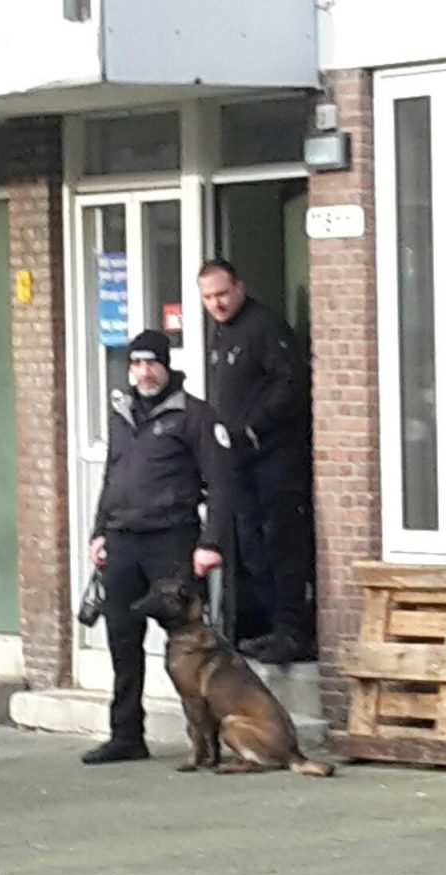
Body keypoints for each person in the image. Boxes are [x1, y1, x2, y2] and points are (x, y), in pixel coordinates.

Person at [81, 329, 233, 765]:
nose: (144, 372)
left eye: (152, 363)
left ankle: (209, 739)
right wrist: (99, 532)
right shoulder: (121, 413)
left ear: (167, 365)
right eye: (136, 364)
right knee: (121, 639)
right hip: (123, 541)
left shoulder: (195, 416)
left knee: (192, 645)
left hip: (171, 541)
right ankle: (126, 735)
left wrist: (211, 543)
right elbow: (112, 476)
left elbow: (221, 485)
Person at [198, 258, 315, 665]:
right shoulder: (220, 335)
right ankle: (268, 628)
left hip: (273, 458)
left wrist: (253, 426)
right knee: (251, 546)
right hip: (237, 461)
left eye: (222, 294)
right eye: (209, 298)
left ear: (239, 288)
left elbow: (290, 382)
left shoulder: (263, 327)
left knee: (282, 543)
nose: (217, 304)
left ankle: (292, 631)